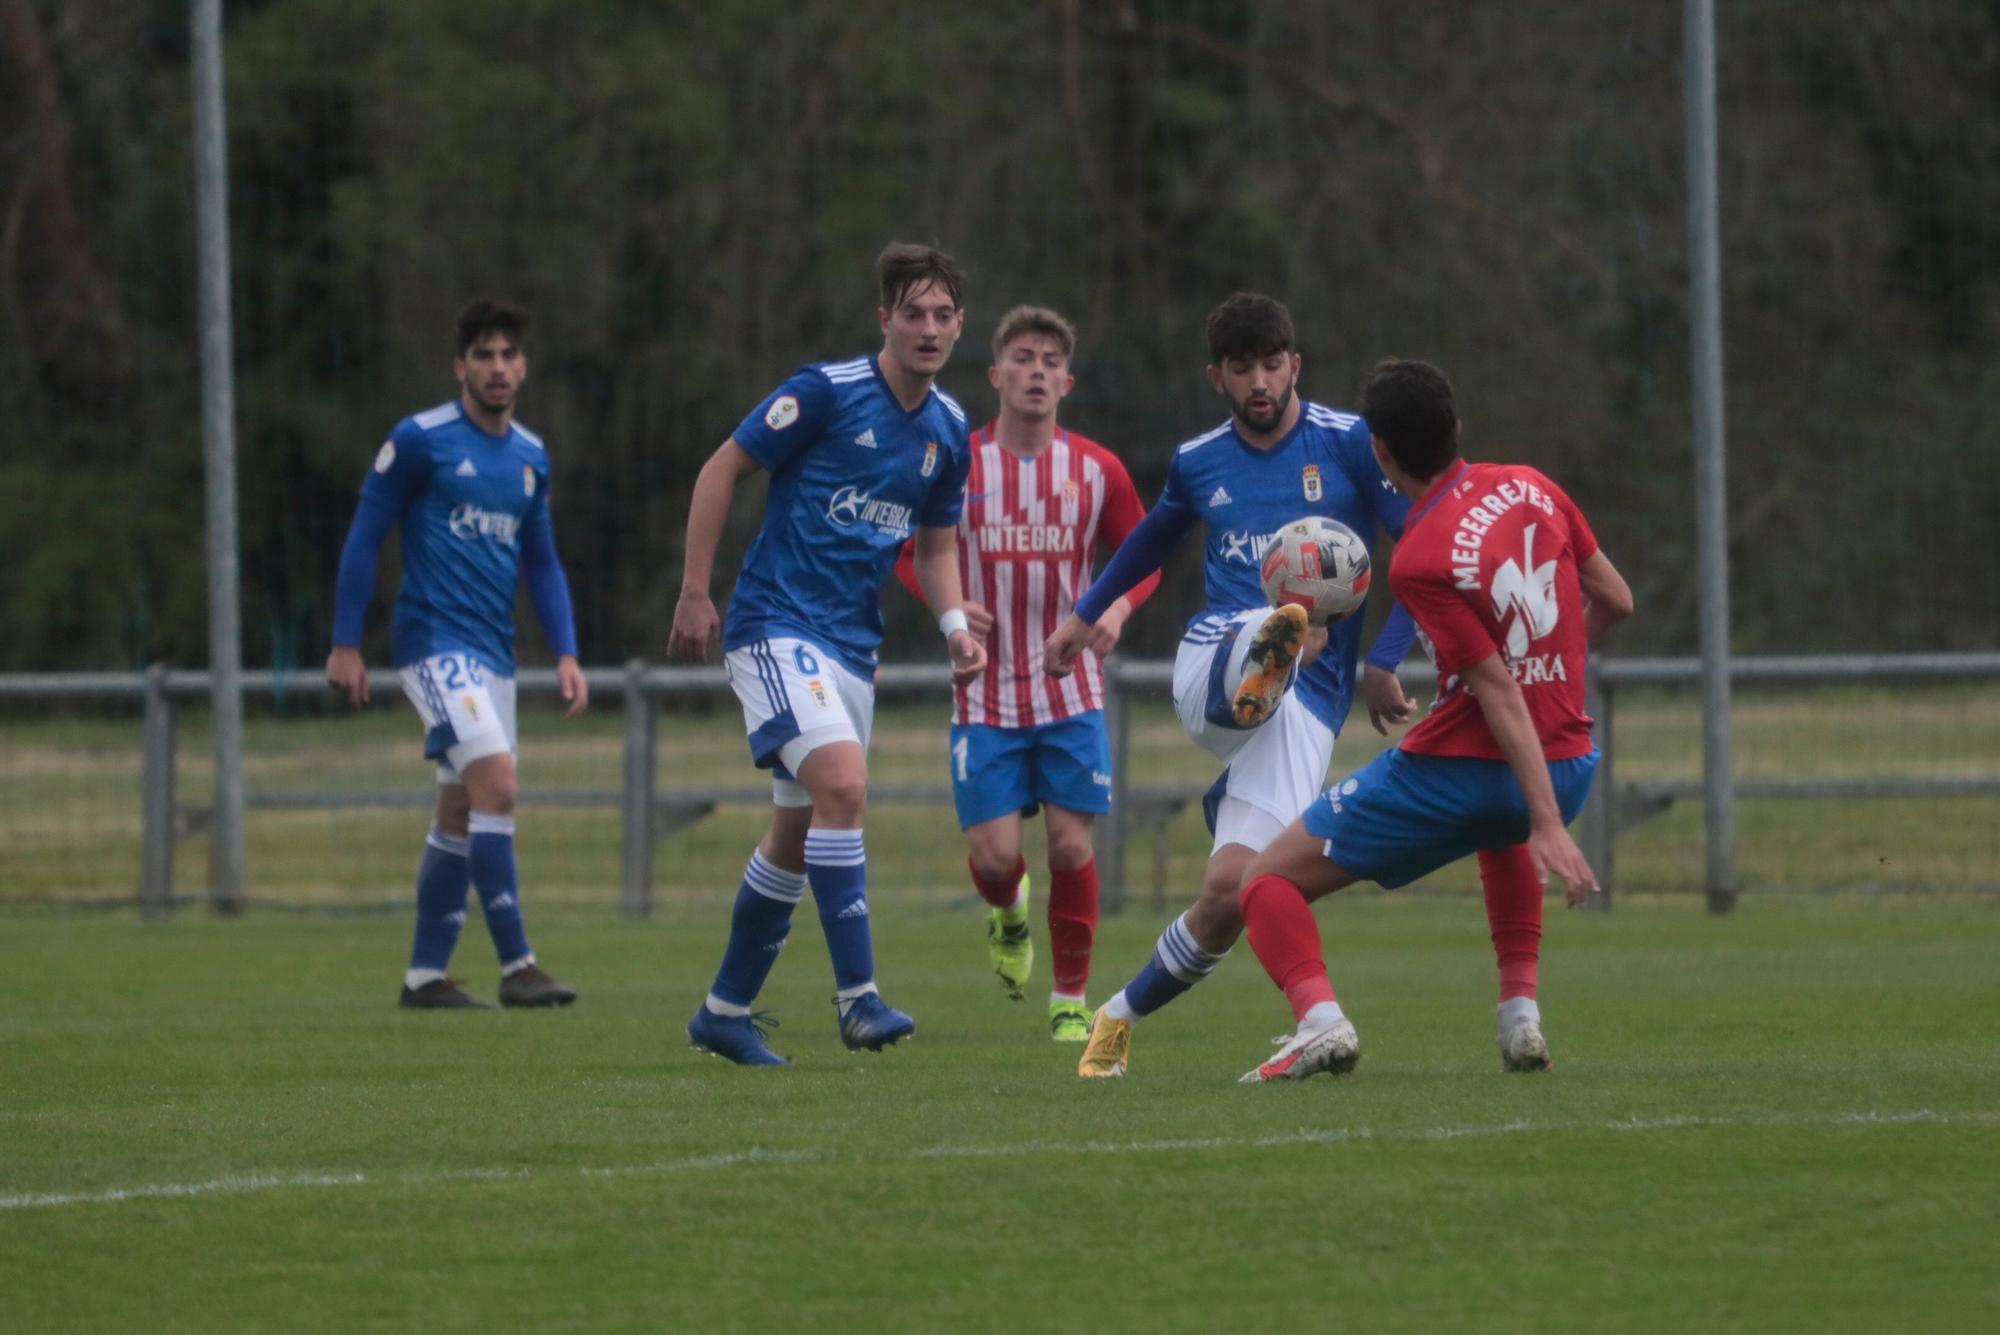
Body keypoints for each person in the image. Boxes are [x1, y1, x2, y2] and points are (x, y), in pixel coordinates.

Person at [1044, 292, 1420, 1078]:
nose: (1259, 380)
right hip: (1212, 660)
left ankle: (1115, 1020)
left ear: (1296, 365)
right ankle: (1276, 643)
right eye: (1241, 367)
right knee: (1267, 627)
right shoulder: (1199, 460)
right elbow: (1153, 536)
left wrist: (1384, 657)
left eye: (1272, 363)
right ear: (1217, 375)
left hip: (1306, 707)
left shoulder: (1351, 445)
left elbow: (1420, 547)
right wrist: (1084, 615)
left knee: (1235, 889)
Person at [1233, 357, 1634, 1082]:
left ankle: (1319, 1020)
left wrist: (1545, 822)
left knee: (1265, 883)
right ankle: (1520, 1019)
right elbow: (1615, 599)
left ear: (1380, 454)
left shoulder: (1420, 555)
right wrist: (1550, 677)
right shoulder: (1535, 485)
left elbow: (1500, 694)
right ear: (1456, 426)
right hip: (1569, 765)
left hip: (1475, 774)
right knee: (1502, 828)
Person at [670, 242, 986, 1066]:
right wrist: (695, 589)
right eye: (911, 313)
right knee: (845, 786)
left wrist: (954, 625)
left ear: (960, 325)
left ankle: (723, 1010)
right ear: (883, 319)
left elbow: (937, 547)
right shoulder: (825, 392)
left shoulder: (950, 429)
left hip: (852, 650)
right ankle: (858, 999)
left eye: (942, 315)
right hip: (775, 625)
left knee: (796, 831)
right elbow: (719, 469)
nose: (927, 328)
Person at [892, 306, 1160, 1041]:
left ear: (1067, 381)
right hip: (983, 694)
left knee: (1072, 846)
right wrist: (947, 607)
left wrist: (1118, 610)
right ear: (996, 374)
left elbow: (1148, 554)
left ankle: (1069, 999)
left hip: (1069, 692)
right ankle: (1008, 915)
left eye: (1050, 360)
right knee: (997, 856)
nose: (1036, 370)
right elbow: (905, 550)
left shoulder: (1095, 470)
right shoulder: (957, 460)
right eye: (1022, 357)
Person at [327, 299, 588, 1010]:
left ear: (523, 366)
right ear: (460, 367)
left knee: (459, 809)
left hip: (493, 656)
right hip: (433, 643)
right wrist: (345, 642)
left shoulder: (531, 456)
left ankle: (424, 977)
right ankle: (519, 965)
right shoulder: (421, 440)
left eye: (508, 355)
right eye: (484, 355)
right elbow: (364, 534)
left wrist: (565, 651)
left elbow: (543, 562)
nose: (497, 367)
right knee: (497, 785)